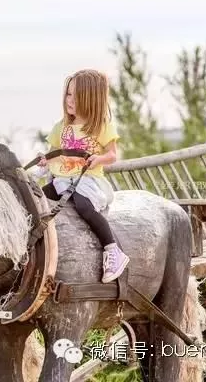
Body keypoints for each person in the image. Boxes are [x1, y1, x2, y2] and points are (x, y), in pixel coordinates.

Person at [39, 69, 130, 283]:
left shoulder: (100, 126)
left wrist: (99, 159)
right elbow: (53, 153)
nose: (69, 100)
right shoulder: (61, 127)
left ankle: (112, 250)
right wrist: (45, 160)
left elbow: (112, 155)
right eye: (68, 94)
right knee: (38, 198)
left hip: (87, 180)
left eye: (76, 96)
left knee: (84, 206)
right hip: (62, 180)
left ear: (90, 99)